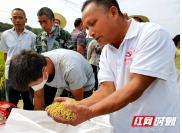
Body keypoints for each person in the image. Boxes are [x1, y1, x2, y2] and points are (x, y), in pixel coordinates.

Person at [47, 0, 180, 133]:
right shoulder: (107, 51)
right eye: (87, 28)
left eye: (93, 23)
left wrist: (89, 112)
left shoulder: (152, 34)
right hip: (122, 127)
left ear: (113, 12)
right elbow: (107, 89)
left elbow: (136, 86)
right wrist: (77, 106)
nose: (91, 33)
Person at [8, 49, 95, 110]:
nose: (34, 87)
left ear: (45, 71)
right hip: (64, 83)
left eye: (34, 85)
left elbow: (78, 101)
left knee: (77, 112)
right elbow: (38, 97)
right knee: (55, 109)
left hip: (84, 84)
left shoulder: (71, 69)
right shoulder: (36, 67)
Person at [34, 7, 74, 108]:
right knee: (45, 103)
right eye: (40, 22)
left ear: (52, 20)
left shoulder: (65, 35)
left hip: (60, 77)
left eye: (45, 21)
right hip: (44, 76)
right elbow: (36, 56)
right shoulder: (39, 37)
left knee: (58, 106)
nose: (42, 25)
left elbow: (70, 57)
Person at [0, 8, 36, 110]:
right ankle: (10, 124)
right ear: (11, 19)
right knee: (10, 105)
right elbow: (5, 54)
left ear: (26, 20)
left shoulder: (32, 36)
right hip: (11, 76)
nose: (17, 20)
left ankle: (27, 124)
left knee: (29, 104)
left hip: (27, 76)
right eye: (15, 18)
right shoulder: (5, 35)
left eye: (20, 18)